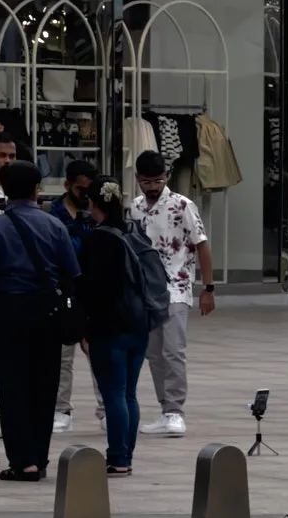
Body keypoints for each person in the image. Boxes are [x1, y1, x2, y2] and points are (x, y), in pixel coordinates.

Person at [0, 159, 78, 481]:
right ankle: (39, 457)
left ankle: (22, 461)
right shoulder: (54, 226)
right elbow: (71, 275)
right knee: (44, 386)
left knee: (12, 388)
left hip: (9, 312)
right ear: (37, 190)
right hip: (48, 313)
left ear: (5, 191)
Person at [131, 150, 213, 437]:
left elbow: (201, 243)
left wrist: (208, 288)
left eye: (157, 180)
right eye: (146, 181)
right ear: (138, 179)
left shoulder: (182, 205)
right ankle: (165, 408)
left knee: (174, 350)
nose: (152, 187)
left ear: (166, 177)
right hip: (146, 291)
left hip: (177, 287)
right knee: (154, 354)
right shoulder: (135, 208)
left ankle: (176, 411)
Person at [78, 179, 152, 474]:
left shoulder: (97, 240)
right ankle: (126, 456)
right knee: (129, 393)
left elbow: (92, 289)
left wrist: (85, 328)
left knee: (114, 393)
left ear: (93, 204)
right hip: (139, 323)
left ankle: (118, 456)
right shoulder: (133, 232)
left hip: (110, 326)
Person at [53, 159, 103, 432]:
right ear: (68, 185)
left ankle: (105, 409)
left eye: (89, 190)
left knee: (97, 352)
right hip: (64, 288)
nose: (85, 195)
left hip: (91, 288)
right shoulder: (54, 213)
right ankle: (61, 409)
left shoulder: (96, 212)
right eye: (80, 189)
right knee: (63, 355)